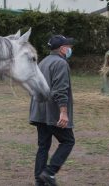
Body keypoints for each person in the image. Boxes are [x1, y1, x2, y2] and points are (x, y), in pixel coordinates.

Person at [29, 35, 75, 186]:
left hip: (39, 111)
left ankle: (39, 180)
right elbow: (61, 89)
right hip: (52, 112)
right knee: (68, 141)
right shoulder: (60, 63)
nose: (71, 49)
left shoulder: (42, 62)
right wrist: (63, 112)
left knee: (43, 146)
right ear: (62, 49)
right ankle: (49, 173)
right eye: (69, 46)